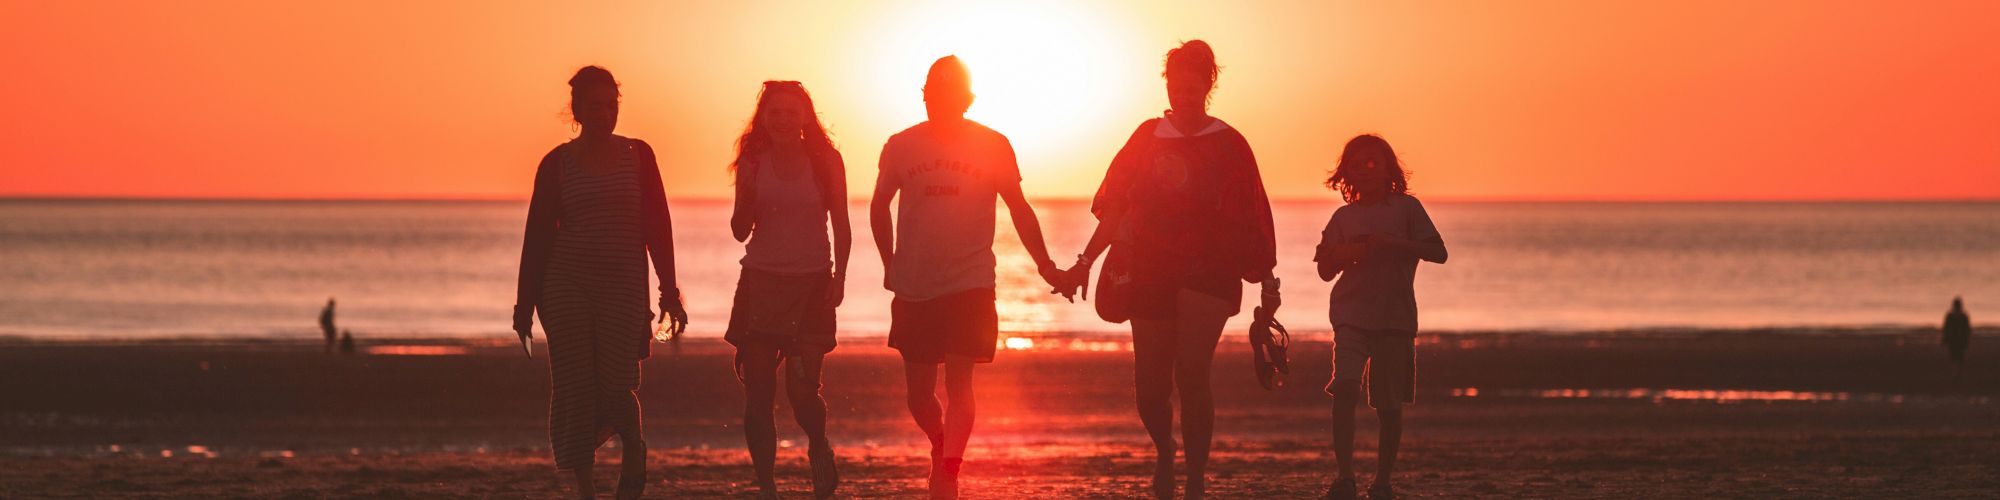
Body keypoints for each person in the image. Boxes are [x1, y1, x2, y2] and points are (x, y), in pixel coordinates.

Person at [1058, 40, 1279, 500]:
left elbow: (1252, 213)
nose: (1182, 88)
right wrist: (1084, 262)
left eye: (1192, 79)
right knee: (1150, 387)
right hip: (1150, 267)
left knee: (1192, 372)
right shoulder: (1147, 137)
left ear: (1208, 82)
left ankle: (1195, 478)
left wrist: (1266, 280)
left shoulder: (1230, 143)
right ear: (1167, 83)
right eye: (1173, 79)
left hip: (1210, 270)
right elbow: (1116, 207)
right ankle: (1165, 451)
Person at [870, 55, 1066, 500]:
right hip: (915, 283)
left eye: (949, 92)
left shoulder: (993, 144)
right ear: (924, 96)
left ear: (965, 98)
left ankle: (950, 471)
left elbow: (1018, 207)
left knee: (960, 383)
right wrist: (890, 262)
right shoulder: (901, 145)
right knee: (919, 396)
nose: (938, 100)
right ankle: (942, 446)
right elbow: (879, 205)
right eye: (931, 92)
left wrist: (1045, 264)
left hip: (970, 281)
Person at [513, 66, 688, 500]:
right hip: (565, 286)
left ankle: (634, 445)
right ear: (577, 110)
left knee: (616, 384)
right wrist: (523, 306)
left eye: (612, 104)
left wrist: (670, 291)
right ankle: (586, 488)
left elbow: (657, 226)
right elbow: (537, 237)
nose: (606, 113)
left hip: (624, 288)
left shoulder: (638, 155)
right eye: (596, 106)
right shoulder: (557, 164)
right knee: (574, 387)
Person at [724, 80, 849, 499]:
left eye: (790, 112)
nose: (782, 120)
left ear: (804, 118)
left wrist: (840, 278)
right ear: (763, 118)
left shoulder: (826, 161)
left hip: (812, 283)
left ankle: (817, 444)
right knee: (758, 393)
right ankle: (767, 487)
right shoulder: (753, 161)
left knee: (801, 391)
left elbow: (843, 226)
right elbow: (740, 230)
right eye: (774, 112)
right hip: (760, 281)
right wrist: (746, 199)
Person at [1313, 134, 1447, 500]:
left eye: (1373, 162)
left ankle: (1383, 482)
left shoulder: (1407, 209)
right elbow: (1325, 269)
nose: (1366, 170)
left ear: (1389, 168)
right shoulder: (1343, 216)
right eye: (1357, 164)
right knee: (1343, 390)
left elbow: (1438, 252)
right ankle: (1345, 478)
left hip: (1394, 319)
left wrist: (1393, 243)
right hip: (1350, 315)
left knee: (1388, 405)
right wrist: (1346, 253)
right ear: (1346, 174)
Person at [1945, 296, 1972, 381]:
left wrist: (1945, 338)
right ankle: (1958, 373)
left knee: (1955, 357)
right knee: (1959, 357)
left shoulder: (1951, 316)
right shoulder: (1963, 316)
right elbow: (1968, 329)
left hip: (1955, 340)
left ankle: (1956, 373)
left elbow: (1946, 328)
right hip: (1959, 340)